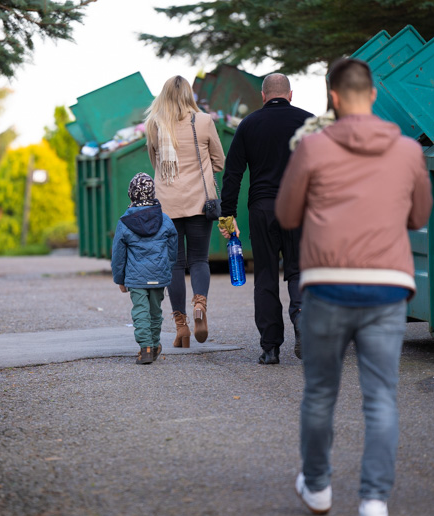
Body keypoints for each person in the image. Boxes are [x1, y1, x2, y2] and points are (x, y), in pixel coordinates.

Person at [275, 58, 432, 516]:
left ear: (334, 97)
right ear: (374, 95)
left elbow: (285, 214)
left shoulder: (313, 148)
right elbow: (420, 215)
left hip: (327, 284)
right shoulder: (406, 151)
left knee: (321, 392)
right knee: (381, 397)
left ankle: (319, 487)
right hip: (387, 287)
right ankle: (374, 501)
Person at [219, 73, 314, 365]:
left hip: (262, 208)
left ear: (262, 96)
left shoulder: (249, 124)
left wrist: (227, 215)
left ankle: (270, 347)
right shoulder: (310, 123)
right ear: (291, 94)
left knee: (265, 276)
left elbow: (233, 174)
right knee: (298, 271)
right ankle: (301, 320)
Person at [146, 75, 225, 348]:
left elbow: (155, 162)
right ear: (189, 95)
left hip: (167, 204)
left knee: (174, 264)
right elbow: (219, 161)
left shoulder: (154, 125)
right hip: (200, 202)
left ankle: (181, 327)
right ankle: (199, 304)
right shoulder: (203, 122)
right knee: (199, 260)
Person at [112, 173, 178, 364]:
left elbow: (118, 255)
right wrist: (168, 267)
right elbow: (173, 249)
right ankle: (155, 344)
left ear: (131, 195)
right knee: (155, 311)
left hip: (136, 277)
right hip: (159, 274)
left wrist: (120, 279)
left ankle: (146, 347)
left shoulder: (124, 222)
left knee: (140, 310)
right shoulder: (165, 220)